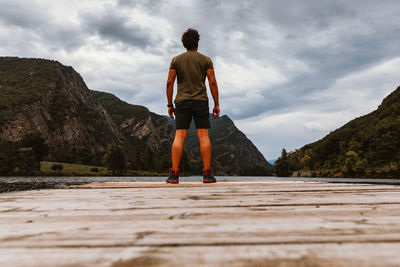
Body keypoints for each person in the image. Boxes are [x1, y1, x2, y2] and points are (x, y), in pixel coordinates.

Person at [166, 28, 220, 184]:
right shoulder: (206, 60)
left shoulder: (176, 60)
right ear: (197, 41)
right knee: (203, 136)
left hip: (181, 101)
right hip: (201, 101)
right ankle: (207, 175)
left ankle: (174, 175)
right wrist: (216, 104)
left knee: (179, 136)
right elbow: (212, 82)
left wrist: (169, 104)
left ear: (184, 43)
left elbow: (170, 82)